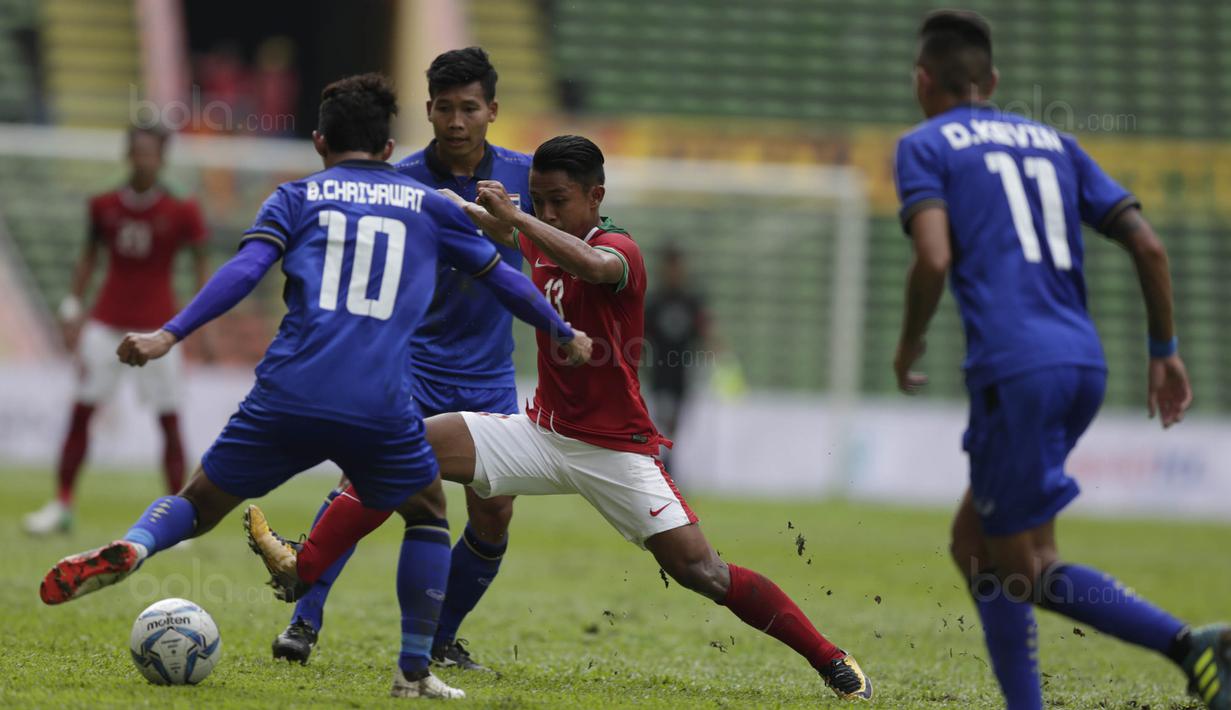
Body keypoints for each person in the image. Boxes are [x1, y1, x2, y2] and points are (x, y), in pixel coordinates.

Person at [246, 135, 874, 701]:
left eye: (559, 200)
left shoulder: (619, 249)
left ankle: (831, 659)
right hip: (540, 434)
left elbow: (590, 265)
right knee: (404, 446)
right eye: (538, 199)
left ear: (596, 195)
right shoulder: (539, 231)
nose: (546, 212)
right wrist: (439, 204)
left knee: (700, 571)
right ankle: (303, 568)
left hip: (614, 450)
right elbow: (484, 225)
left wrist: (515, 216)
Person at [37, 74, 589, 701]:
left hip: (287, 392)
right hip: (381, 400)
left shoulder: (296, 197)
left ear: (320, 142)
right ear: (388, 147)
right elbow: (503, 279)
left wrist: (169, 334)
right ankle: (413, 670)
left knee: (198, 501)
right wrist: (562, 329)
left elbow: (245, 270)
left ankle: (138, 547)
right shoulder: (429, 203)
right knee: (428, 513)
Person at [892, 11, 1228, 710]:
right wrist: (1163, 350)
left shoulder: (924, 144)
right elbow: (1148, 246)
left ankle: (1189, 646)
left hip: (1014, 370)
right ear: (993, 82)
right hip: (1082, 364)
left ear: (923, 82)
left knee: (1023, 567)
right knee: (975, 542)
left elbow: (931, 256)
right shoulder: (1055, 143)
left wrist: (909, 340)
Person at [271, 47, 533, 672]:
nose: (457, 120)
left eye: (469, 107)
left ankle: (441, 637)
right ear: (428, 111)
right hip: (409, 361)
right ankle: (303, 620)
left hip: (489, 372)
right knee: (367, 484)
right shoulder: (402, 180)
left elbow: (571, 238)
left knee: (494, 511)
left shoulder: (527, 179)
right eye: (444, 108)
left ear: (492, 110)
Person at [23, 126, 209, 536]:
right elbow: (89, 256)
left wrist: (200, 322)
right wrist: (73, 306)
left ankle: (176, 518)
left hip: (160, 330)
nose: (144, 160)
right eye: (138, 152)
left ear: (162, 158)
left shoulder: (182, 207)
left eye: (151, 153)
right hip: (105, 324)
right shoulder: (103, 202)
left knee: (169, 420)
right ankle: (62, 505)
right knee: (81, 411)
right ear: (128, 155)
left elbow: (200, 265)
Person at [643, 245, 711, 468]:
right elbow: (642, 336)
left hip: (682, 371)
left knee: (676, 422)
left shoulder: (692, 301)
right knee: (661, 417)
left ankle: (668, 462)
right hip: (659, 371)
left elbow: (704, 331)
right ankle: (662, 463)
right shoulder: (654, 301)